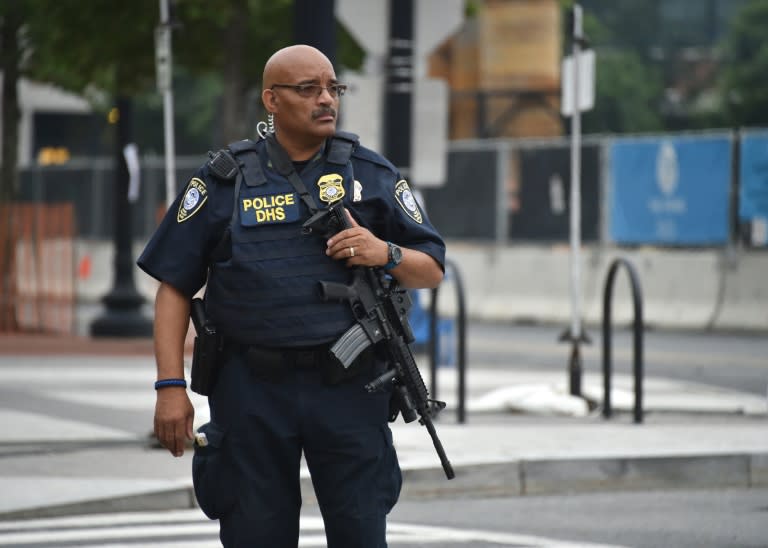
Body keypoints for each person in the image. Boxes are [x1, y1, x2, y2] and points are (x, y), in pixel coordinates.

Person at [137, 44, 446, 547]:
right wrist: (170, 386)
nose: (326, 99)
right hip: (251, 391)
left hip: (349, 390)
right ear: (271, 100)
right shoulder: (223, 181)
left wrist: (382, 251)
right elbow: (173, 286)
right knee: (255, 534)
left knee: (361, 535)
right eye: (308, 89)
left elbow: (431, 267)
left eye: (333, 88)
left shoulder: (370, 174)